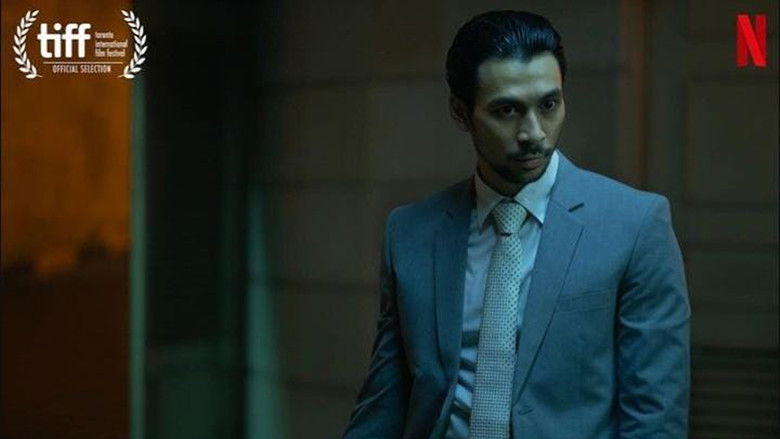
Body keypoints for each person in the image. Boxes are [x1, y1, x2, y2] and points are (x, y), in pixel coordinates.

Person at [343, 10, 690, 439]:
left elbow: (655, 417)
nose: (534, 133)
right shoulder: (410, 233)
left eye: (549, 105)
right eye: (507, 110)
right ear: (460, 112)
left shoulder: (635, 225)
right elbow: (384, 403)